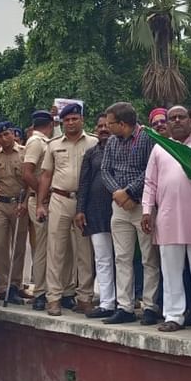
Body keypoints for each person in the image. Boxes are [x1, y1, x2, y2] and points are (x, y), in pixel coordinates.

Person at [142, 106, 191, 331]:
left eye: (182, 117)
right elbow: (150, 183)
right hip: (169, 218)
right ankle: (174, 316)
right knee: (171, 272)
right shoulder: (161, 148)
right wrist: (146, 211)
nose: (177, 121)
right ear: (167, 124)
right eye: (173, 118)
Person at [100, 102, 161, 325]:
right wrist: (117, 193)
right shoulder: (112, 142)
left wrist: (129, 192)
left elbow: (150, 170)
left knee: (148, 258)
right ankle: (124, 306)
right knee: (122, 257)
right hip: (119, 206)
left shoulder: (147, 138)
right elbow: (105, 170)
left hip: (142, 205)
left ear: (123, 123)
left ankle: (149, 306)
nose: (107, 127)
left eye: (110, 123)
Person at [37, 104, 98, 316]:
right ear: (61, 122)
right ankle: (53, 298)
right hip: (59, 199)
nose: (71, 123)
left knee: (85, 251)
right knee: (56, 250)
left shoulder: (94, 142)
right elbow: (45, 175)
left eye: (74, 118)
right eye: (67, 120)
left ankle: (84, 297)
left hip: (85, 202)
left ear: (81, 119)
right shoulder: (53, 145)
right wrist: (39, 204)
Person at [0, 121, 29, 304]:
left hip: (19, 204)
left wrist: (25, 203)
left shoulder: (25, 153)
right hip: (0, 204)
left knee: (19, 246)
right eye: (0, 136)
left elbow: (31, 180)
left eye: (7, 134)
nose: (4, 139)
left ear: (13, 134)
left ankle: (14, 286)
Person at [76, 114, 116, 318]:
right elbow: (83, 183)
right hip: (95, 212)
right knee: (102, 259)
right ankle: (107, 303)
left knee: (122, 259)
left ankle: (125, 301)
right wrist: (80, 210)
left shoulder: (121, 149)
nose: (103, 129)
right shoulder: (91, 153)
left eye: (107, 125)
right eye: (99, 126)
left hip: (120, 210)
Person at [23, 110, 55, 310]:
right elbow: (27, 173)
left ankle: (53, 290)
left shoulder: (44, 142)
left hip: (44, 199)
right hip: (40, 201)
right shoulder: (36, 142)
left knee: (53, 247)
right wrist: (42, 195)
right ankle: (41, 292)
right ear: (50, 125)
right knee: (43, 248)